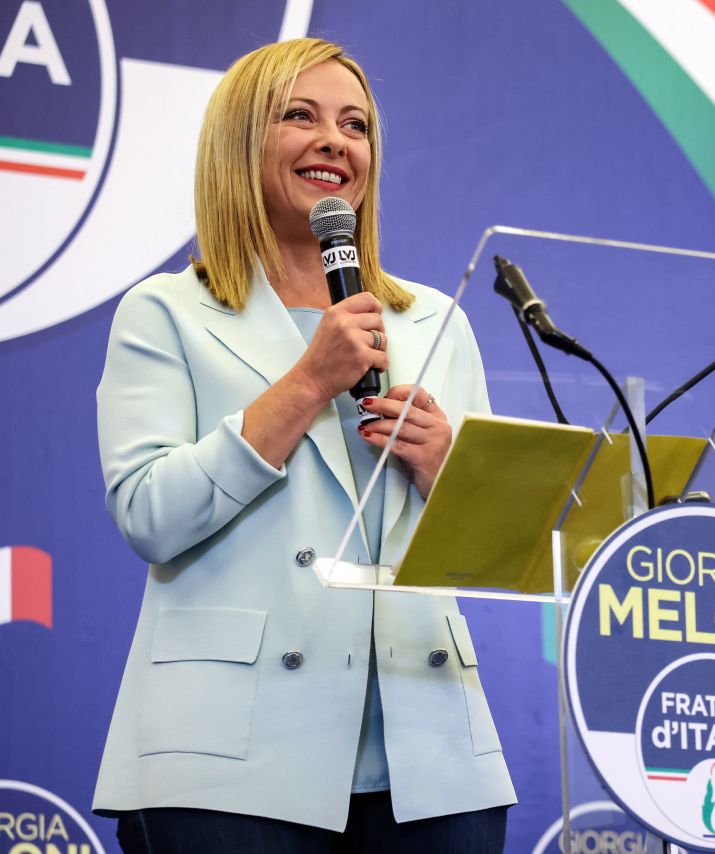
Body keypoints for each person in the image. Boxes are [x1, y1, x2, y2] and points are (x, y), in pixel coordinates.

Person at [91, 38, 516, 852]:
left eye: (355, 125)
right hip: (227, 758)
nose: (335, 140)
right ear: (238, 144)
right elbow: (149, 513)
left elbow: (491, 557)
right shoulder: (167, 312)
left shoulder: (435, 321)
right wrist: (306, 382)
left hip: (428, 758)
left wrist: (443, 469)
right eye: (301, 116)